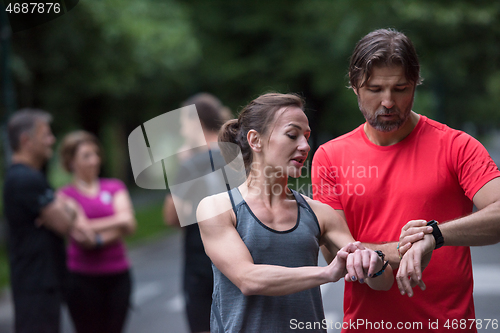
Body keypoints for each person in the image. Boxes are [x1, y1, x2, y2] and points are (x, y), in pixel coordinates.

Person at [311, 28, 500, 332]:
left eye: (400, 88)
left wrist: (435, 236)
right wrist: (405, 248)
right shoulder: (329, 157)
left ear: (415, 85)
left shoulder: (457, 146)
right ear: (355, 87)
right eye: (375, 89)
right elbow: (335, 252)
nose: (387, 102)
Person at [197, 93, 393, 333]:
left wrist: (374, 263)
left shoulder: (320, 213)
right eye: (292, 135)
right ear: (255, 140)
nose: (305, 146)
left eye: (307, 137)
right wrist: (327, 273)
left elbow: (382, 283)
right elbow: (248, 278)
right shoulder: (216, 209)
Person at [3, 109, 95, 333]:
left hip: (40, 281)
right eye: (46, 135)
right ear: (26, 141)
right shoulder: (25, 179)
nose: (52, 140)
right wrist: (69, 208)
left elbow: (59, 217)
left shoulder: (29, 177)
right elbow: (64, 224)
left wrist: (61, 208)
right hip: (35, 283)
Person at [163, 93, 230, 333]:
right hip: (239, 256)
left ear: (196, 122)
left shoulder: (190, 164)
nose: (182, 130)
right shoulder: (237, 155)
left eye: (183, 123)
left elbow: (171, 217)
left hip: (201, 262)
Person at [58, 130, 136, 333]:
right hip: (82, 279)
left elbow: (130, 224)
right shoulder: (65, 195)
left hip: (118, 274)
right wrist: (117, 221)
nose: (94, 160)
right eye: (86, 156)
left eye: (96, 154)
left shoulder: (114, 186)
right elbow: (83, 236)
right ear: (71, 161)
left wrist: (95, 231)